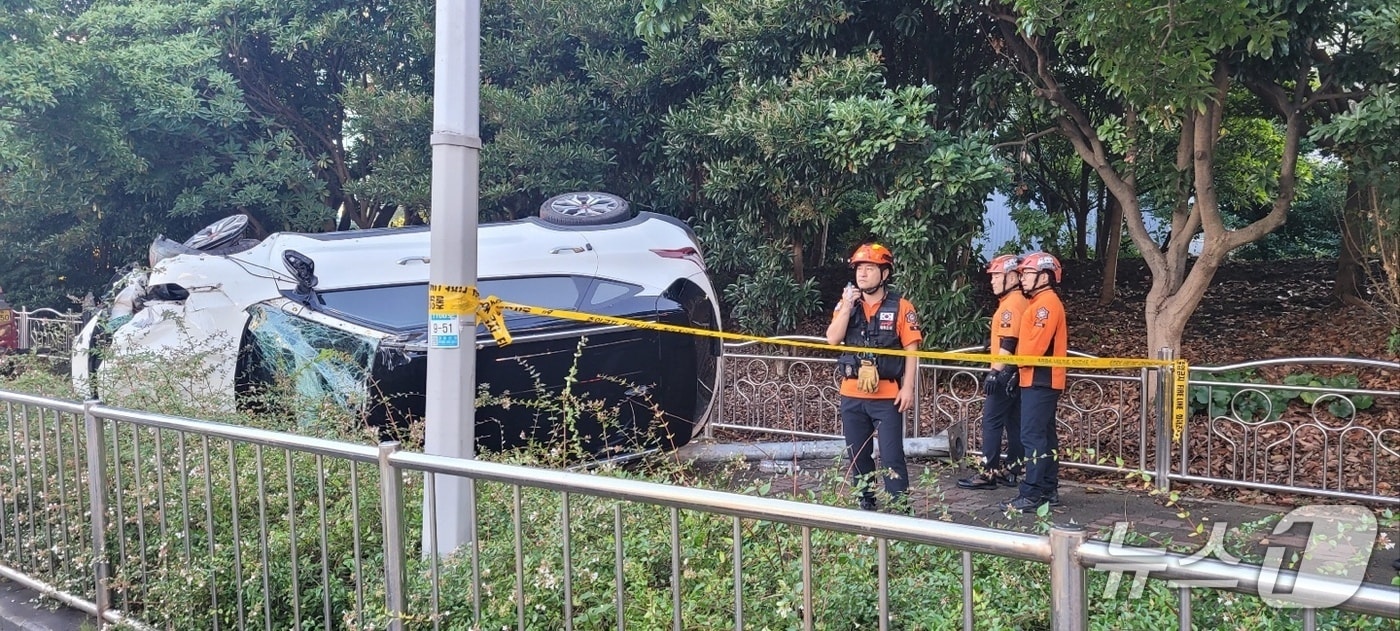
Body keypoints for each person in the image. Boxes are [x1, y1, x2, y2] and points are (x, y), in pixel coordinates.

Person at [825, 242, 922, 512]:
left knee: (892, 455)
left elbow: (912, 350)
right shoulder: (847, 305)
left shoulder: (902, 307)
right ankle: (866, 504)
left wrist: (908, 389)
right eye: (859, 268)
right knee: (858, 456)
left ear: (885, 274)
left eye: (869, 268)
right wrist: (846, 306)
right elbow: (833, 339)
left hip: (887, 395)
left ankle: (900, 508)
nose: (862, 274)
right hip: (852, 394)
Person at [1001, 252, 1068, 512]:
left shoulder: (1045, 305)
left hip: (1041, 378)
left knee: (1032, 436)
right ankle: (1048, 488)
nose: (1022, 279)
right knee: (1045, 435)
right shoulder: (1040, 302)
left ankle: (1032, 492)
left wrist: (1013, 365)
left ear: (1045, 276)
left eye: (1027, 274)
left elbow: (1034, 348)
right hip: (1038, 377)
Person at [958, 254, 1028, 491]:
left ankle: (988, 472)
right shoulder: (1018, 301)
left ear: (1011, 277)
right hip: (1017, 372)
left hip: (1006, 371)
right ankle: (1012, 469)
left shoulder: (1011, 305)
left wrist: (995, 372)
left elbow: (1009, 341)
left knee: (991, 421)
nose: (993, 281)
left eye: (997, 276)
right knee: (1014, 423)